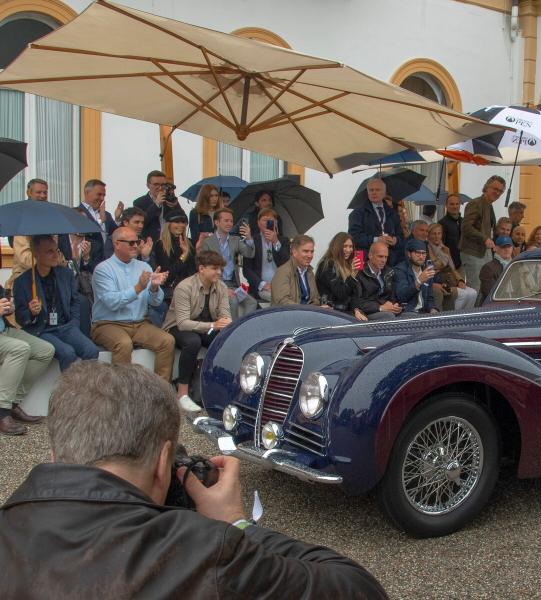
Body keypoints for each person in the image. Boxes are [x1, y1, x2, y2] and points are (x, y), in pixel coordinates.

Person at [0, 361, 388, 598]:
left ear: (54, 455)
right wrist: (236, 525)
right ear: (163, 463)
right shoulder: (204, 552)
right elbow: (359, 589)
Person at [91, 227, 174, 381]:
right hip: (108, 324)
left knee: (167, 341)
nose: (136, 245)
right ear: (116, 244)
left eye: (137, 241)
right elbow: (112, 302)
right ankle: (121, 392)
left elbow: (155, 302)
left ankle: (161, 390)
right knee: (123, 344)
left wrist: (154, 288)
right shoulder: (103, 269)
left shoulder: (144, 266)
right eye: (131, 243)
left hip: (140, 323)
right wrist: (138, 288)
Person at [13, 235, 99, 371]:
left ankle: (87, 384)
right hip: (42, 330)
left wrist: (74, 323)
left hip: (66, 326)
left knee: (91, 350)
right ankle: (68, 385)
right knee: (68, 353)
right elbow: (20, 317)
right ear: (36, 254)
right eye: (49, 252)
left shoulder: (66, 274)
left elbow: (75, 302)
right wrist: (31, 312)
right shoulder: (22, 282)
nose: (55, 255)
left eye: (56, 250)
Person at [162, 250, 232, 410]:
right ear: (201, 269)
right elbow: (182, 323)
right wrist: (213, 325)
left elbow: (225, 314)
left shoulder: (221, 287)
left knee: (224, 340)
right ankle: (182, 393)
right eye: (214, 268)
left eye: (220, 269)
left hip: (205, 326)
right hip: (176, 327)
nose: (219, 272)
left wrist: (225, 323)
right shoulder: (184, 287)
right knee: (193, 342)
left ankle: (217, 387)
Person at [0, 293, 54, 435]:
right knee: (20, 348)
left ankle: (12, 403)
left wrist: (9, 308)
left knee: (46, 350)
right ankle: (2, 410)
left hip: (4, 331)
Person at [200, 208, 257, 321]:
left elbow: (250, 254)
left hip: (233, 284)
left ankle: (242, 326)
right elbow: (205, 270)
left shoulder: (235, 240)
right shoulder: (208, 242)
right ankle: (233, 329)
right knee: (233, 301)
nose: (230, 224)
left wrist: (249, 238)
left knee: (252, 303)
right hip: (215, 283)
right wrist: (223, 288)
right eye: (226, 220)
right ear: (216, 222)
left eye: (231, 221)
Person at [459, 175, 504, 290]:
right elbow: (466, 227)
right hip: (473, 252)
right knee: (476, 288)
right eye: (495, 189)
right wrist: (484, 238)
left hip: (485, 252)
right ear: (486, 187)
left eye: (500, 191)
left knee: (486, 288)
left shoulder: (489, 205)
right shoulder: (476, 203)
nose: (497, 193)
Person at [152, 212, 196, 325]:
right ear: (168, 224)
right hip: (170, 291)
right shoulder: (161, 244)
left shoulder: (190, 243)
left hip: (189, 289)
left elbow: (193, 270)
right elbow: (168, 274)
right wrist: (184, 255)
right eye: (177, 222)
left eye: (183, 222)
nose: (181, 225)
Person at [349, 177, 404, 266]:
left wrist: (395, 241)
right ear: (367, 192)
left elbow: (401, 237)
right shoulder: (357, 213)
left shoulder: (392, 213)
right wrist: (376, 239)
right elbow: (354, 237)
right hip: (363, 259)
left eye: (377, 190)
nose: (374, 192)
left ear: (384, 193)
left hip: (389, 261)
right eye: (371, 190)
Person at [427, 223, 478, 310]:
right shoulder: (427, 248)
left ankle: (465, 315)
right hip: (437, 280)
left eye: (439, 233)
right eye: (434, 234)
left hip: (449, 279)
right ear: (429, 235)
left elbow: (452, 268)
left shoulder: (445, 249)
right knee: (463, 294)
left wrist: (460, 280)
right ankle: (454, 314)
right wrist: (441, 266)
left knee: (473, 293)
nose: (436, 236)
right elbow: (433, 265)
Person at [242, 208, 289, 303]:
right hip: (262, 287)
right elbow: (246, 269)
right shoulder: (252, 240)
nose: (268, 223)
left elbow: (286, 263)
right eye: (264, 220)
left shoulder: (283, 241)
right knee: (279, 299)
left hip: (281, 286)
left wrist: (275, 241)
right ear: (258, 223)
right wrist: (263, 284)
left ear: (276, 223)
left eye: (271, 220)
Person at [315, 232, 366, 319]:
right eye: (345, 246)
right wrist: (352, 276)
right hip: (331, 311)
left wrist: (356, 310)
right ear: (337, 247)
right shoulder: (327, 265)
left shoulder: (348, 265)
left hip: (345, 311)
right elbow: (340, 293)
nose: (349, 250)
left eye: (351, 247)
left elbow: (354, 294)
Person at [78, 179, 118, 274]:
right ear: (87, 192)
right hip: (88, 265)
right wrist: (100, 221)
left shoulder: (106, 214)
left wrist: (118, 218)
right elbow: (82, 232)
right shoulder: (78, 212)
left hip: (107, 264)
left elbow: (116, 233)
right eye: (99, 194)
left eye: (104, 195)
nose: (102, 198)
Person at [353, 242, 402, 320]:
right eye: (380, 256)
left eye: (386, 257)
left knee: (409, 316)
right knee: (389, 316)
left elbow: (392, 296)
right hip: (366, 313)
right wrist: (380, 307)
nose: (384, 260)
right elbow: (358, 301)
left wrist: (395, 305)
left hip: (385, 310)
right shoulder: (359, 273)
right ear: (370, 256)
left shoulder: (388, 272)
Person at [271, 234, 321, 306]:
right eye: (305, 251)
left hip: (307, 312)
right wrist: (307, 309)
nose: (310, 255)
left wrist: (319, 308)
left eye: (312, 251)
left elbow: (315, 298)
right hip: (289, 313)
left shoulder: (309, 272)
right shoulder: (283, 272)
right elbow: (282, 302)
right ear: (294, 252)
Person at [393, 239, 437, 315]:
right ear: (409, 254)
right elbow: (402, 296)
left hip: (423, 312)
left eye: (423, 253)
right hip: (407, 311)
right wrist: (419, 281)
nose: (421, 256)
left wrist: (432, 309)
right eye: (417, 253)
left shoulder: (426, 270)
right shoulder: (400, 270)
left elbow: (430, 298)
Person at [132, 170, 170, 242]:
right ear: (148, 185)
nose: (160, 187)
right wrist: (156, 204)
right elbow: (142, 222)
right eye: (156, 184)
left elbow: (183, 219)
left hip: (169, 242)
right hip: (150, 243)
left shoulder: (170, 199)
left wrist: (174, 204)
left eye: (163, 185)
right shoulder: (139, 202)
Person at [479, 236, 514, 303]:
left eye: (509, 247)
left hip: (515, 303)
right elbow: (491, 294)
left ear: (512, 248)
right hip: (495, 305)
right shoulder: (488, 268)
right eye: (503, 247)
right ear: (495, 248)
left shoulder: (515, 266)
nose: (507, 249)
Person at [438, 192, 463, 268]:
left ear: (460, 205)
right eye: (452, 204)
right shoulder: (442, 223)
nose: (455, 206)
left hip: (464, 264)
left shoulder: (464, 221)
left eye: (457, 204)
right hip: (449, 266)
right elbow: (440, 246)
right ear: (446, 205)